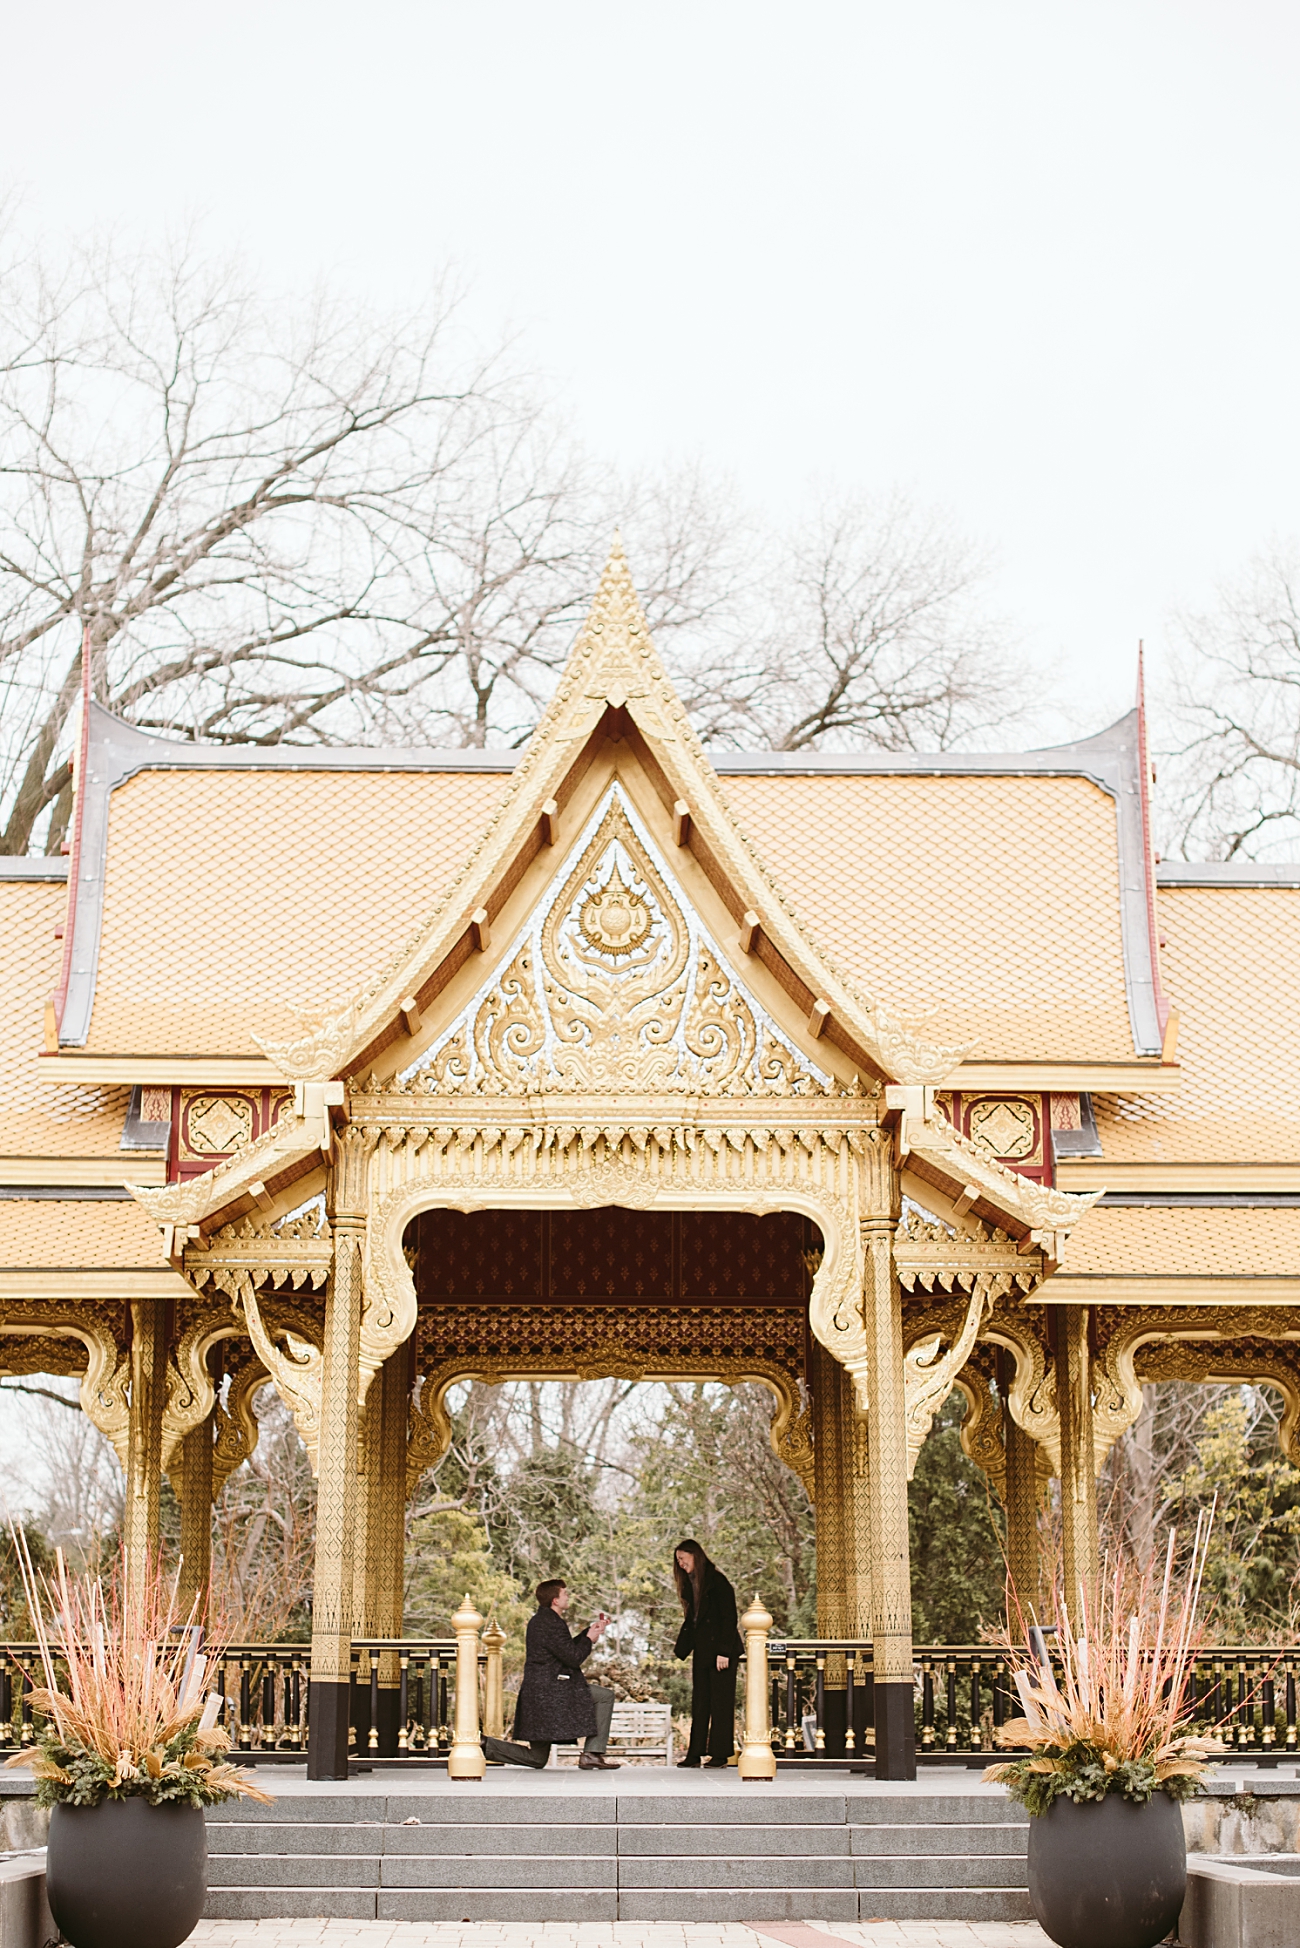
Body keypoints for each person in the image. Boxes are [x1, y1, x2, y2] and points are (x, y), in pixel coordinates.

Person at [484, 1578, 621, 1771]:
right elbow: (572, 1657)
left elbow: (563, 1648)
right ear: (555, 1600)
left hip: (541, 1694)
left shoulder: (544, 1620)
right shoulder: (550, 1622)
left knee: (537, 1758)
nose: (568, 1596)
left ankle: (484, 1745)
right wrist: (589, 1639)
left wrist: (588, 1633)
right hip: (550, 1693)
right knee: (604, 1697)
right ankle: (592, 1754)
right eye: (565, 1593)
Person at [671, 1538, 743, 1767]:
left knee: (720, 1703)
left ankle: (721, 1754)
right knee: (700, 1702)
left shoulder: (717, 1582)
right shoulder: (691, 1584)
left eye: (683, 1558)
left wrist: (724, 1651)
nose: (680, 1563)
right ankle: (695, 1753)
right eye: (678, 1560)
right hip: (702, 1650)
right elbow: (693, 1621)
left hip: (722, 1651)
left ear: (695, 1555)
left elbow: (729, 1618)